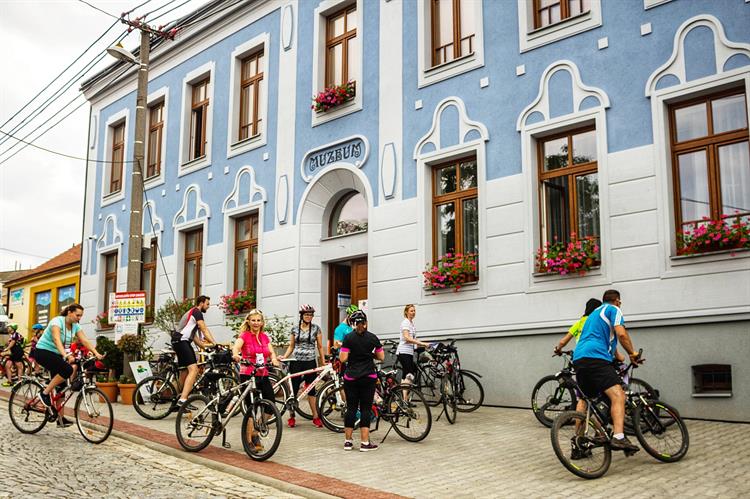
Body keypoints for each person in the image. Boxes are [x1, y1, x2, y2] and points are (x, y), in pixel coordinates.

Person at [572, 289, 641, 454]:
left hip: (579, 358)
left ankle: (579, 445)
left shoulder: (591, 316)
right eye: (620, 302)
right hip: (596, 358)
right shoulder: (613, 309)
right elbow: (622, 334)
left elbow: (604, 340)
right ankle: (618, 437)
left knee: (587, 401)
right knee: (618, 394)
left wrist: (618, 355)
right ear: (617, 301)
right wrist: (633, 354)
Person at [34, 304, 103, 427]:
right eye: (77, 315)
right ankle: (44, 394)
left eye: (81, 316)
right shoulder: (57, 321)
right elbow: (56, 339)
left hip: (57, 354)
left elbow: (85, 340)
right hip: (43, 352)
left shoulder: (75, 326)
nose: (79, 318)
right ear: (69, 312)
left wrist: (97, 353)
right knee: (67, 370)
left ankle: (60, 419)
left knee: (62, 387)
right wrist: (66, 355)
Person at [232, 309, 280, 451]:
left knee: (270, 402)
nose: (256, 323)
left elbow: (271, 352)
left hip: (262, 373)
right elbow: (236, 347)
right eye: (253, 320)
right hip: (248, 373)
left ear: (262, 322)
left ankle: (256, 430)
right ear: (248, 321)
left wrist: (274, 359)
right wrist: (236, 355)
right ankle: (249, 442)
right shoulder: (245, 336)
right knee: (251, 406)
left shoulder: (264, 337)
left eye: (258, 320)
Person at [339, 310, 384, 452]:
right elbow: (381, 357)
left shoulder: (348, 338)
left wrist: (351, 352)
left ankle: (348, 442)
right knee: (365, 408)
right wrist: (370, 354)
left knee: (351, 408)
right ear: (365, 323)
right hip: (368, 377)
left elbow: (343, 359)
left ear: (353, 323)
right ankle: (364, 443)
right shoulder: (373, 338)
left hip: (351, 377)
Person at [279, 304, 326, 428]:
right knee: (293, 390)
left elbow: (320, 346)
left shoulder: (316, 329)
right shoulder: (295, 329)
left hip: (310, 361)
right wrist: (284, 356)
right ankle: (292, 416)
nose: (309, 317)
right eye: (306, 314)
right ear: (302, 316)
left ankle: (315, 416)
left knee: (311, 389)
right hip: (296, 361)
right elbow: (291, 346)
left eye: (310, 315)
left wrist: (323, 361)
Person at [173, 295, 217, 409]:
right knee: (194, 369)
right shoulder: (197, 312)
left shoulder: (193, 314)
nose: (208, 307)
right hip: (182, 341)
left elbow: (194, 337)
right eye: (207, 304)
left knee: (185, 372)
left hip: (179, 341)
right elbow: (204, 328)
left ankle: (178, 398)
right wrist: (215, 343)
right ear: (201, 303)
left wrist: (206, 347)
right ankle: (183, 400)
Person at [397, 305, 430, 393]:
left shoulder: (411, 323)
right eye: (411, 311)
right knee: (409, 374)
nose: (413, 312)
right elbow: (407, 338)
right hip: (403, 351)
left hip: (409, 352)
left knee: (406, 375)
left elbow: (412, 340)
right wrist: (422, 343)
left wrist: (422, 346)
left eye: (414, 311)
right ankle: (404, 401)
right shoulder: (405, 322)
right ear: (406, 312)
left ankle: (404, 400)